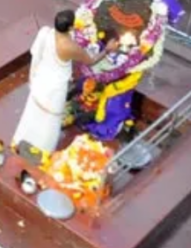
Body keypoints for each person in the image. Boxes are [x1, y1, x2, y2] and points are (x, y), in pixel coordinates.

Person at [11, 10, 118, 154]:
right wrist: (107, 50)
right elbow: (91, 61)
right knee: (50, 120)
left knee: (33, 112)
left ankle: (21, 140)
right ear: (70, 28)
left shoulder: (45, 32)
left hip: (40, 80)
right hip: (54, 88)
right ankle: (43, 150)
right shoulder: (69, 47)